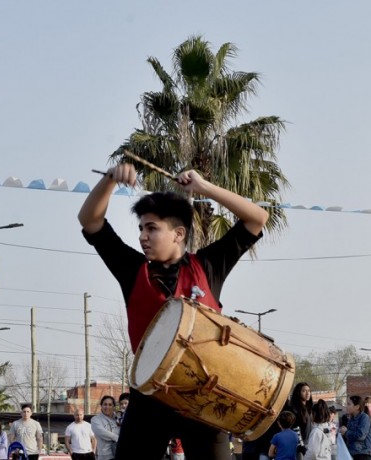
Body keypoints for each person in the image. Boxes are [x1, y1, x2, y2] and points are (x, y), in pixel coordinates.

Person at [78, 163, 268, 460]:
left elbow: (258, 218)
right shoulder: (131, 269)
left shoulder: (208, 265)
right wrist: (110, 179)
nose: (142, 236)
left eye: (152, 228)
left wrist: (204, 188)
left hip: (204, 396)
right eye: (141, 228)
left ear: (178, 233)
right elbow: (89, 220)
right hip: (150, 395)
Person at [341, 396, 371, 460]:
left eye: (349, 404)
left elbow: (361, 435)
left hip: (362, 454)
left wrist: (346, 432)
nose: (347, 406)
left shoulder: (364, 418)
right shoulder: (351, 419)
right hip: (352, 453)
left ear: (357, 407)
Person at [91, 395, 119, 460]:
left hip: (118, 453)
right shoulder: (95, 419)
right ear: (101, 406)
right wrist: (118, 438)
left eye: (110, 404)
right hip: (104, 456)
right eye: (105, 404)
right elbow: (102, 433)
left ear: (113, 406)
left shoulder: (118, 418)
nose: (107, 407)